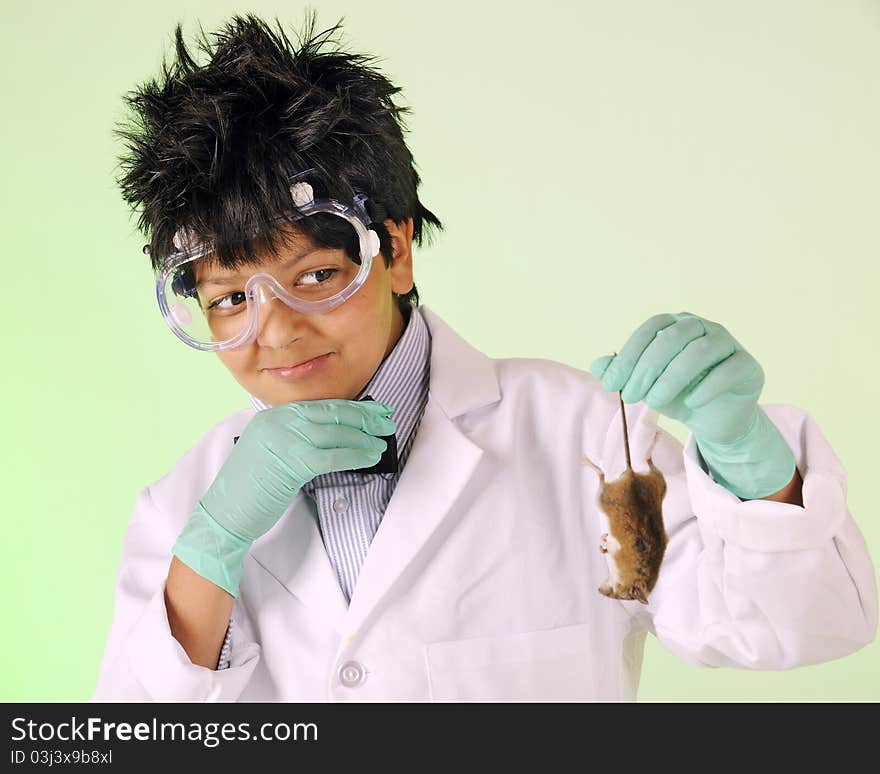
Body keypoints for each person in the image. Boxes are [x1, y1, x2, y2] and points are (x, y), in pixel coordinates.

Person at [92, 12, 877, 701]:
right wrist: (211, 551)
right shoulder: (189, 506)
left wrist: (746, 456)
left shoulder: (581, 442)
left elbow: (800, 628)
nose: (277, 330)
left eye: (317, 277)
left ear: (394, 252)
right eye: (230, 299)